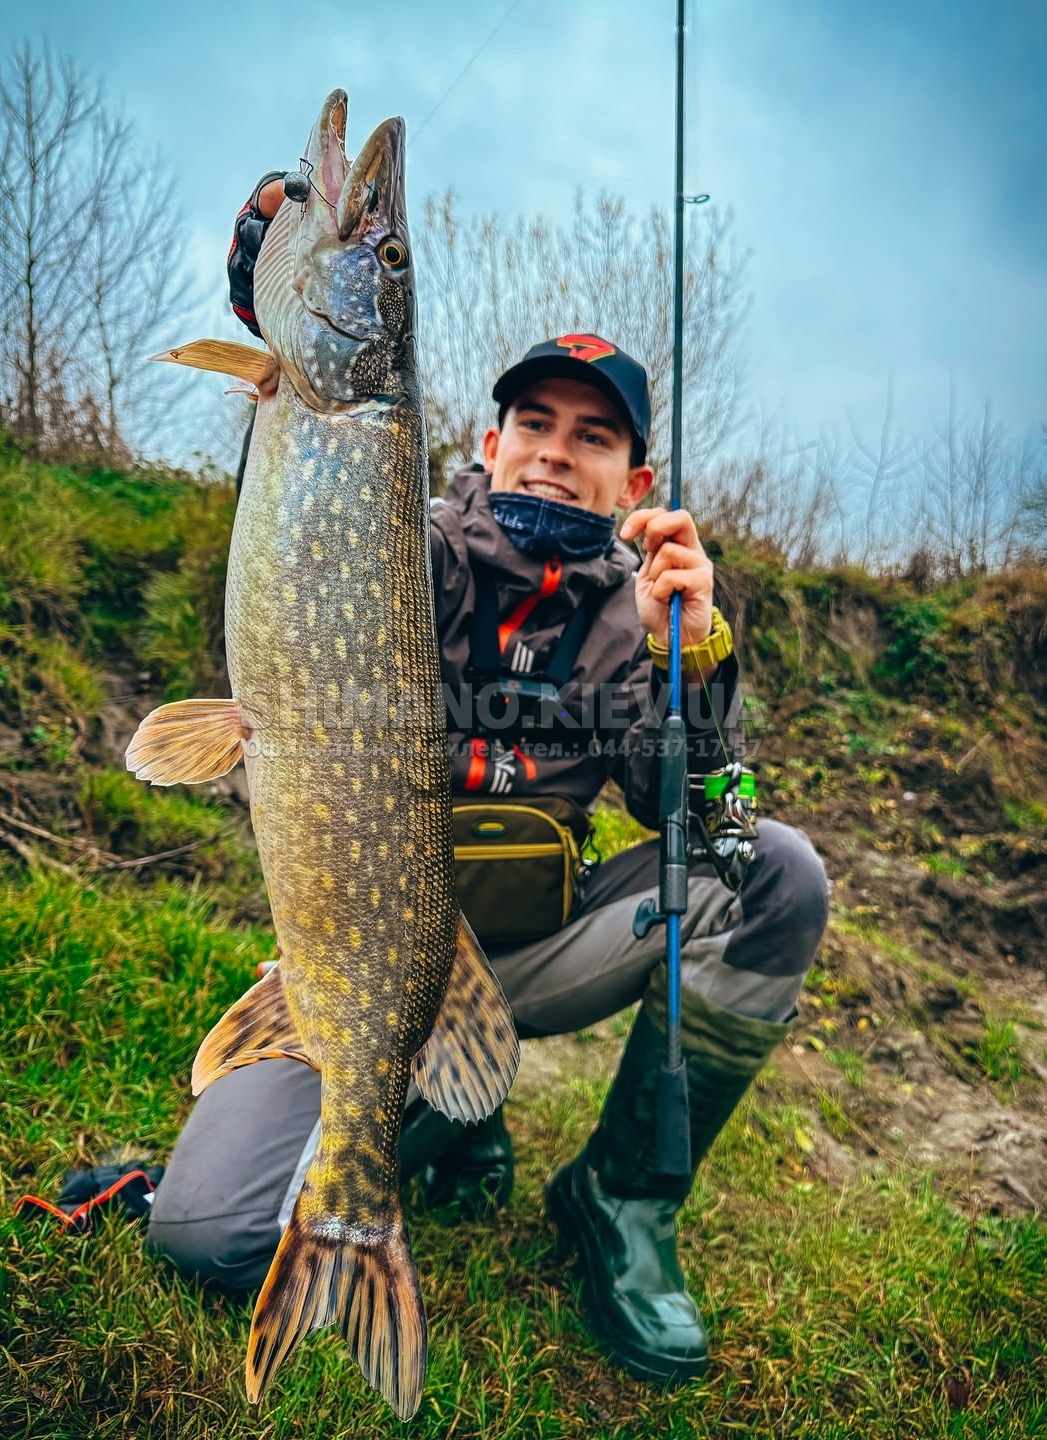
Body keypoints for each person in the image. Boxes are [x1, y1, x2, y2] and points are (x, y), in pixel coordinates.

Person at [146, 175, 829, 1385]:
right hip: (359, 958)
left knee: (776, 872)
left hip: (530, 965)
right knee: (209, 1235)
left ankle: (623, 1199)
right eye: (536, 424)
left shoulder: (637, 619)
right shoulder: (401, 545)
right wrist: (272, 309)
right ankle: (438, 1119)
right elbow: (302, 506)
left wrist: (697, 665)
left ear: (635, 480)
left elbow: (704, 827)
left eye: (595, 436)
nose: (558, 454)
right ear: (488, 440)